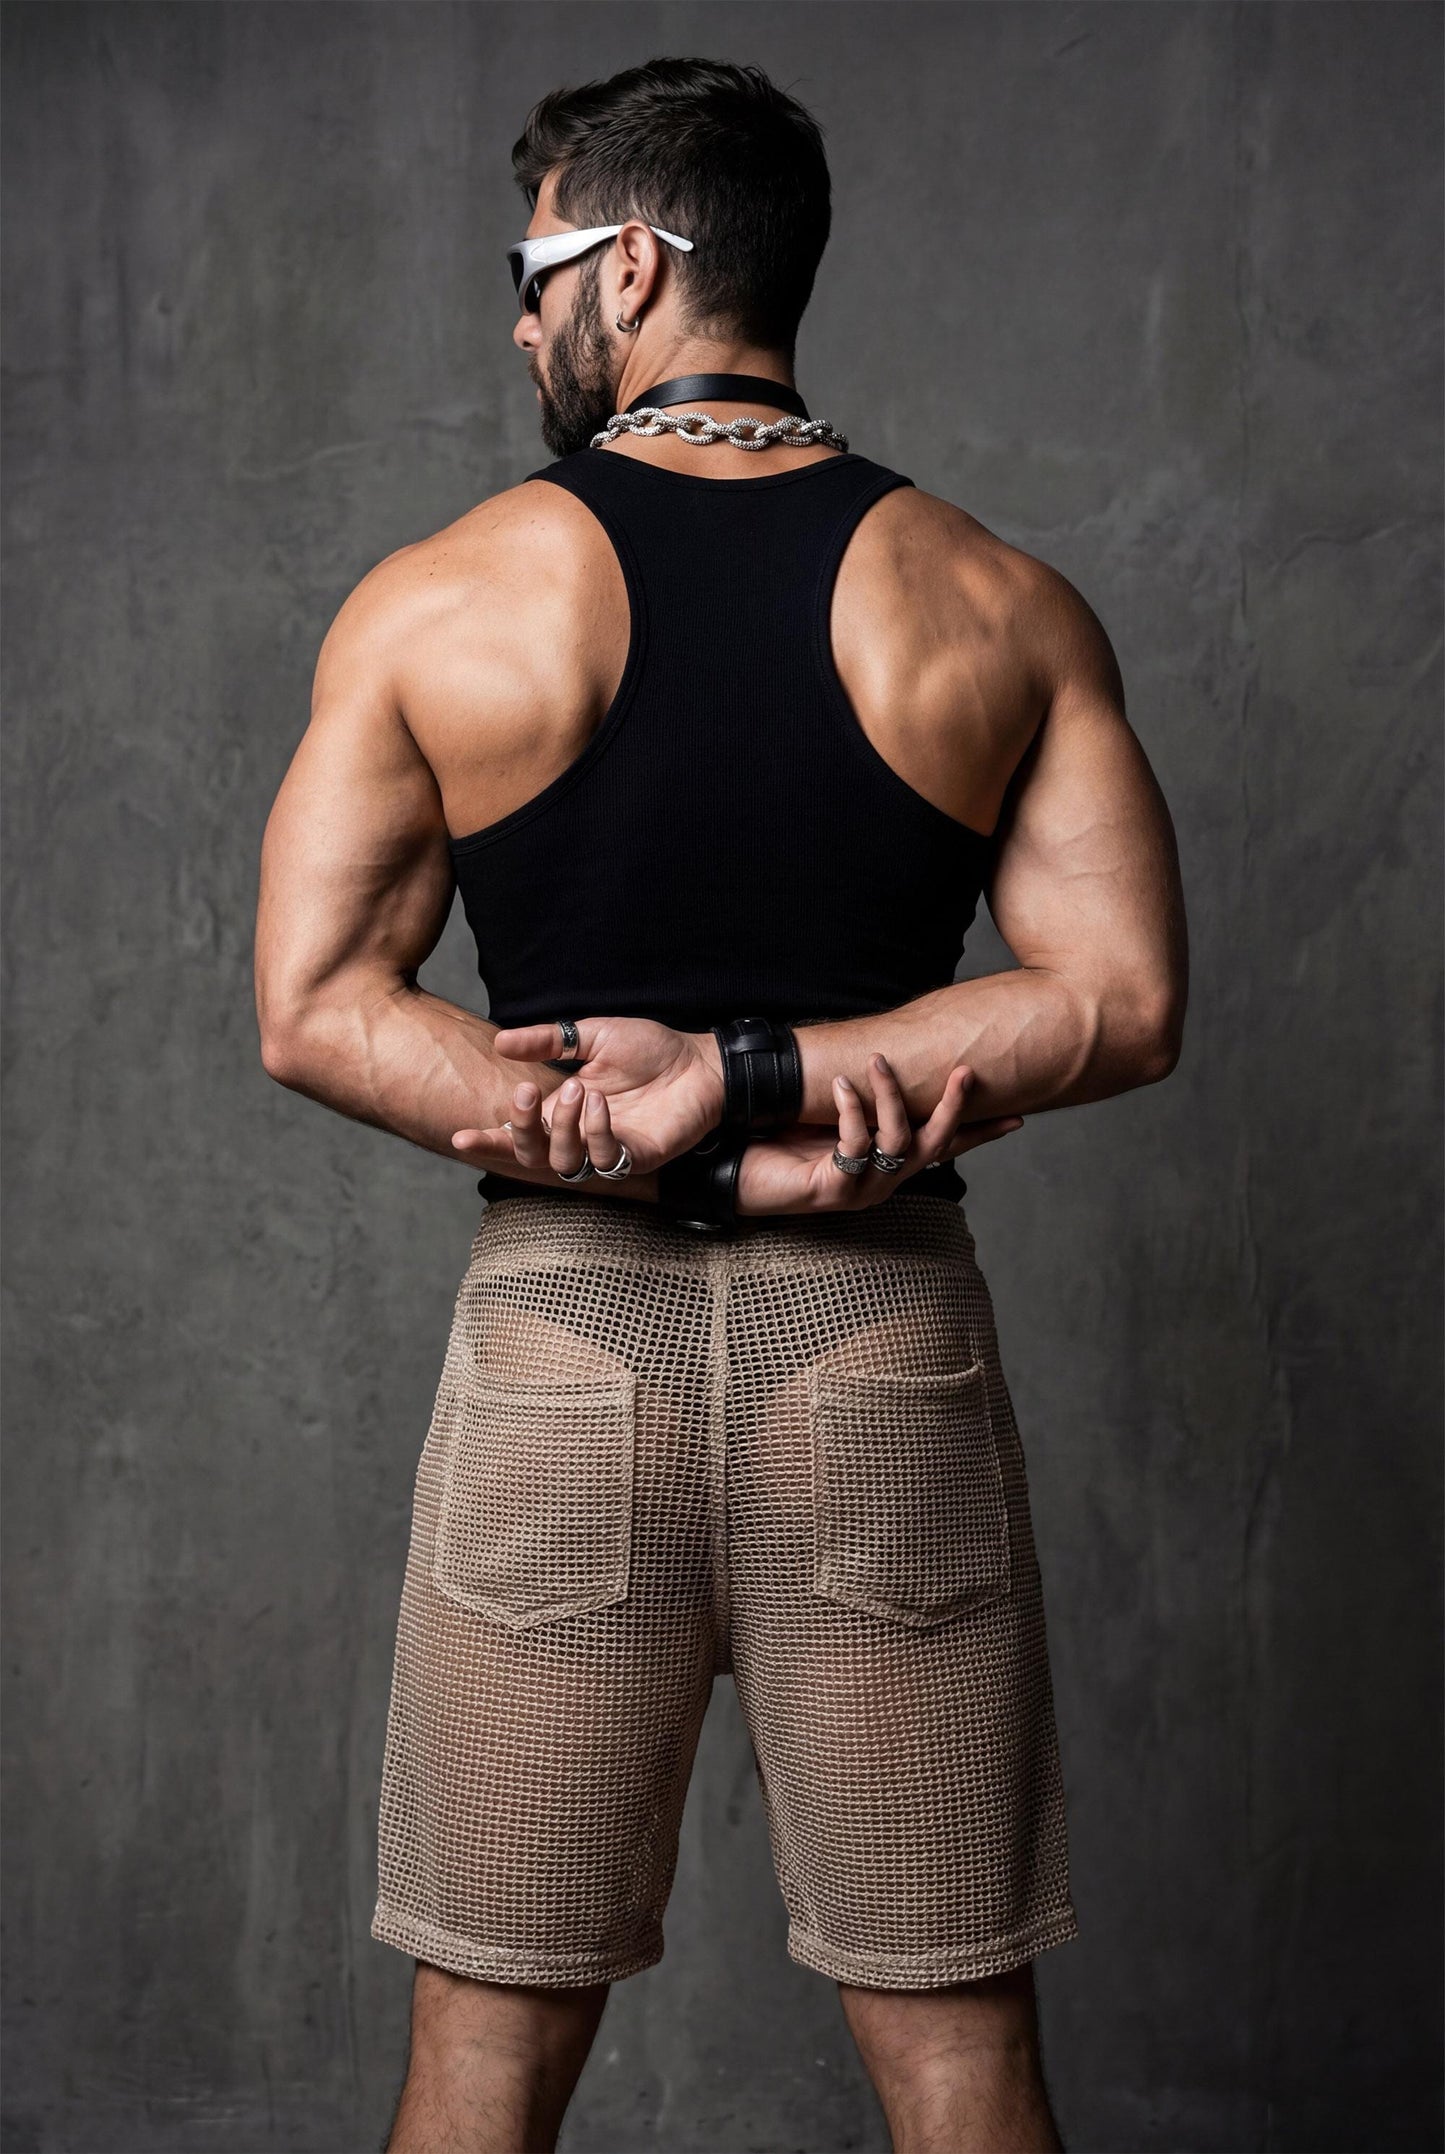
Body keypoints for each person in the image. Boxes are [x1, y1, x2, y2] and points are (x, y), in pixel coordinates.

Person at [254, 55, 1186, 2154]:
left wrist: (610, 1117)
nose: (515, 322)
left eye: (533, 271)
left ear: (640, 263)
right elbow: (1120, 1002)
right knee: (961, 2060)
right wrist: (771, 1086)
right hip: (880, 1353)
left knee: (481, 2063)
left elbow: (315, 1007)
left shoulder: (445, 597)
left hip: (562, 1361)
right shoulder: (994, 602)